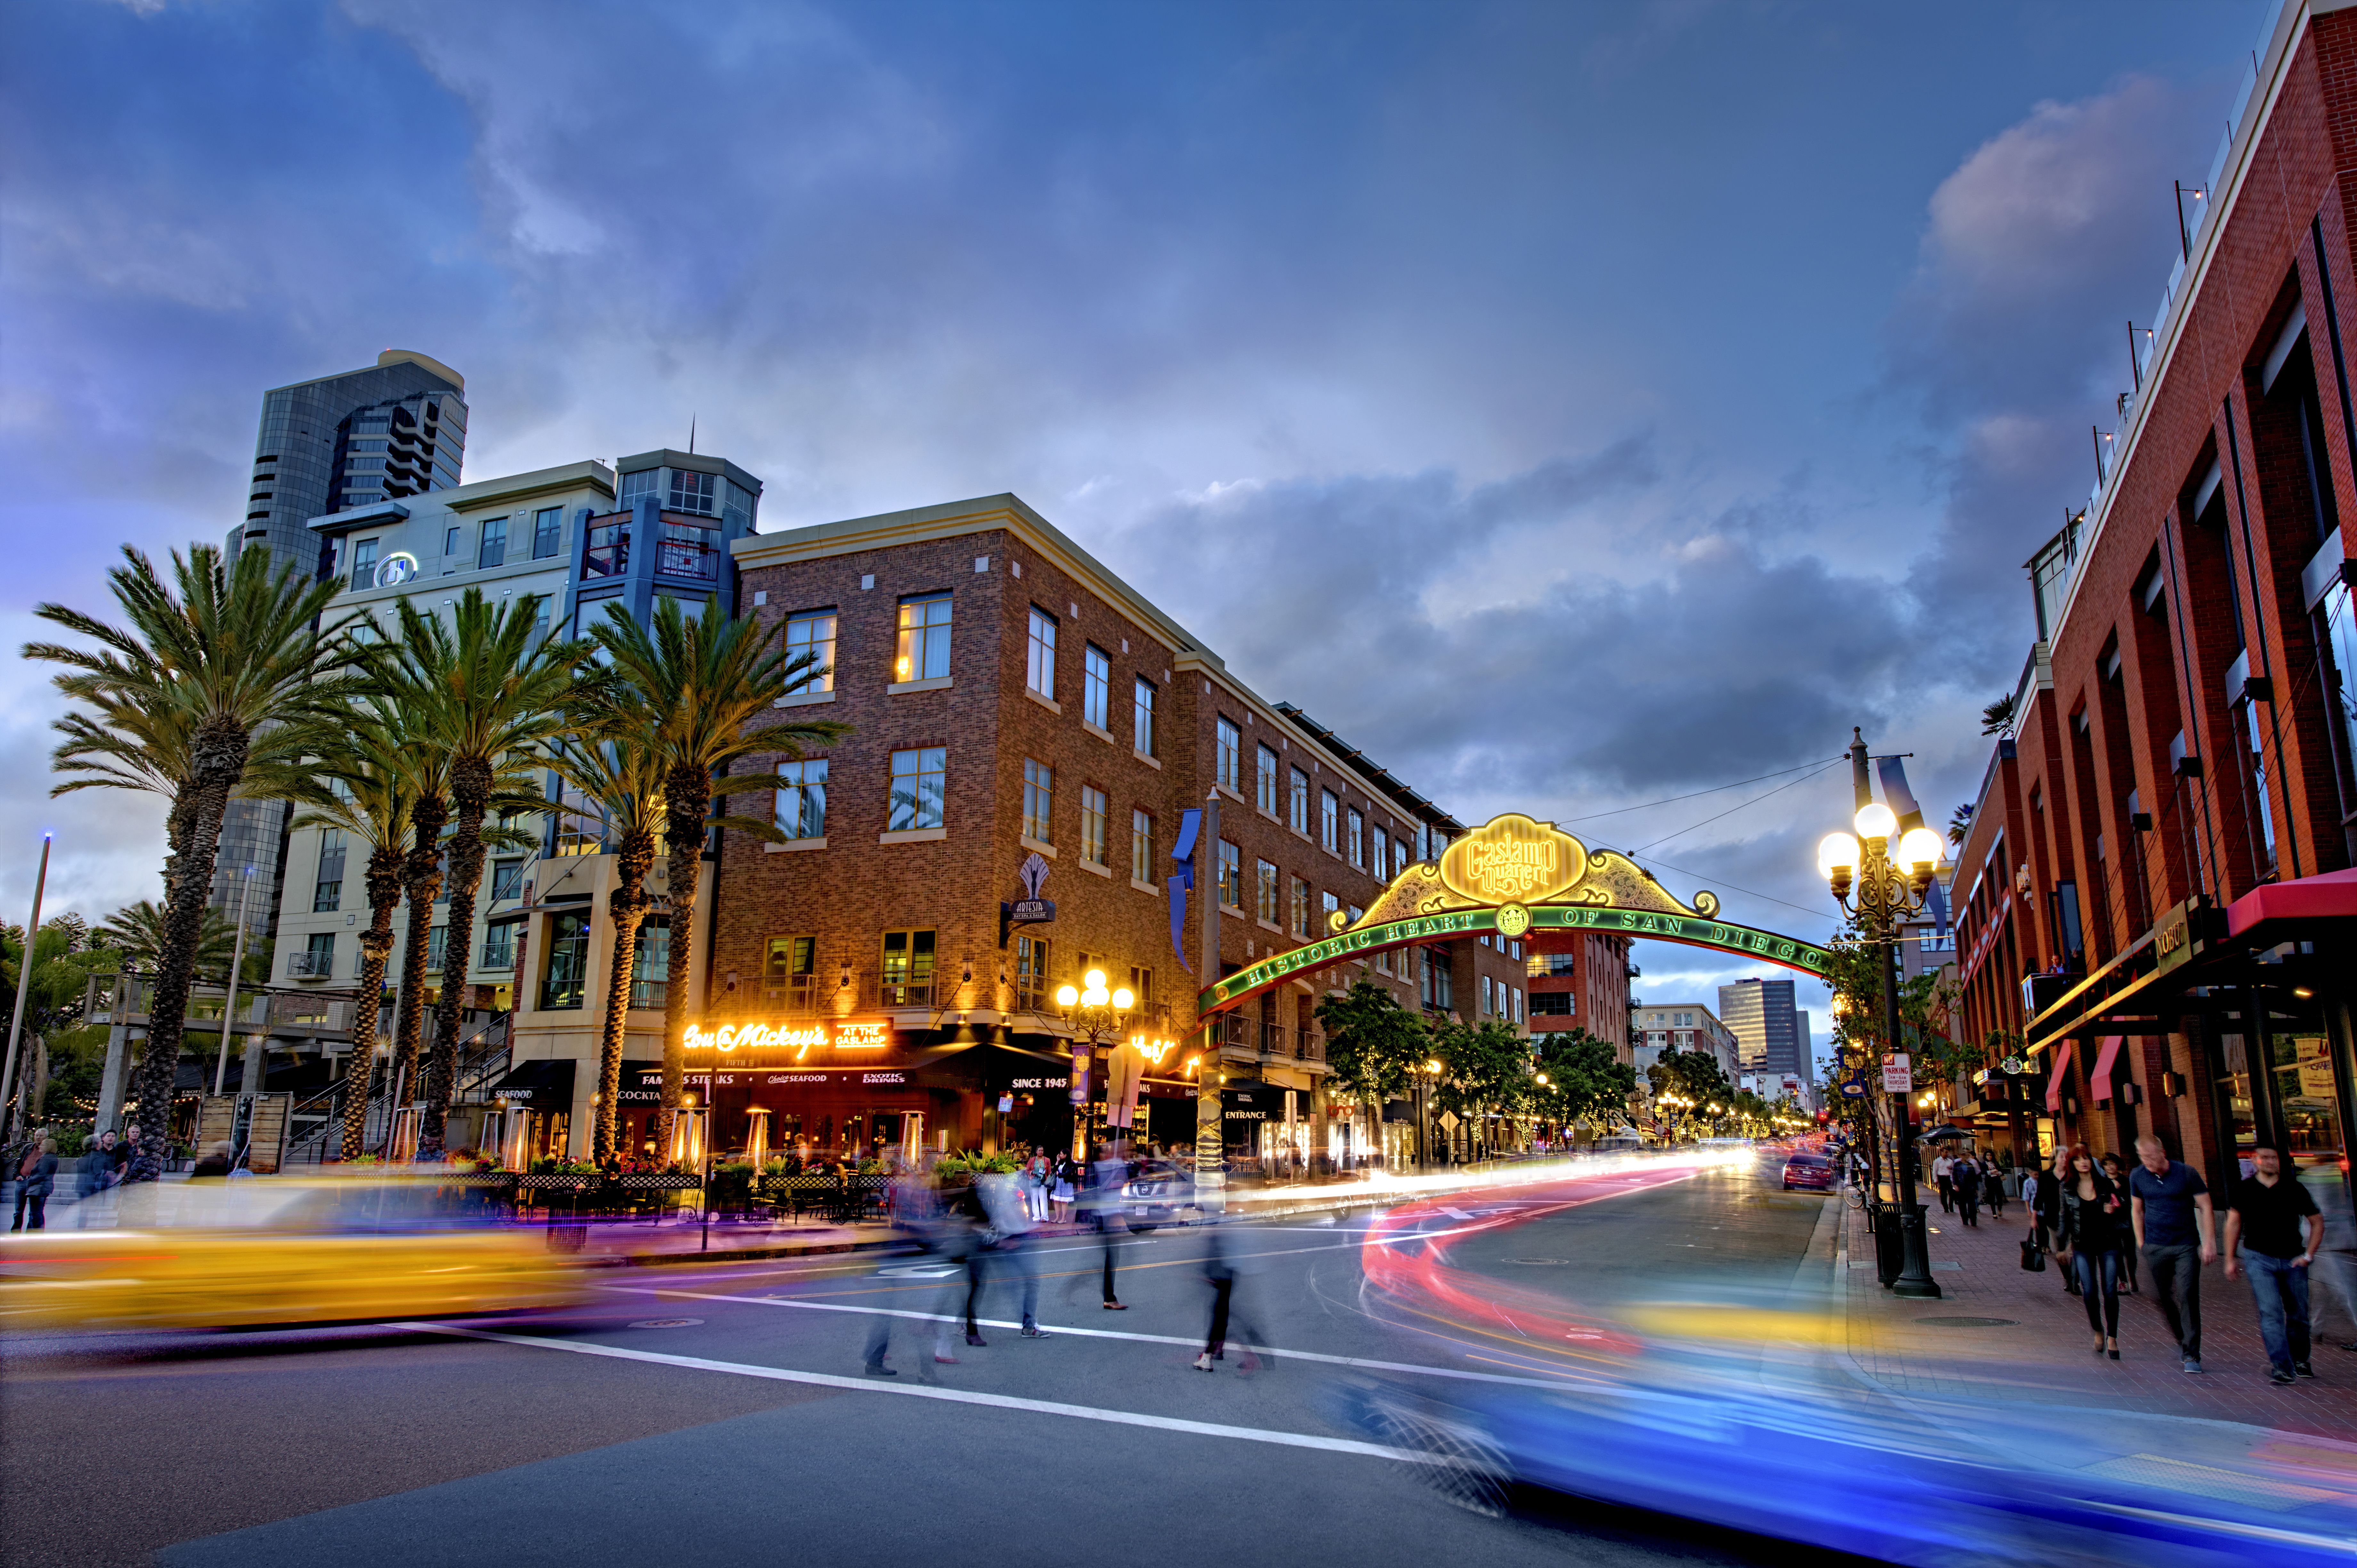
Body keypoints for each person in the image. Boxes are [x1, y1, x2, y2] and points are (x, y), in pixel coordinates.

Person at [2223, 1144, 2322, 1386]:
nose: (2269, 1161)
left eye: (2274, 1158)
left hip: (2293, 1259)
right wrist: (2229, 1259)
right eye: (2264, 1157)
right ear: (2254, 1161)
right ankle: (2281, 1366)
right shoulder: (2243, 1189)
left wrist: (2308, 1255)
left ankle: (2300, 1360)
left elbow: (2317, 1221)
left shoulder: (2294, 1188)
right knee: (2271, 1312)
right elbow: (2233, 1224)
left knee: (2298, 1314)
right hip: (2259, 1258)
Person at [2128, 1132, 2215, 1374]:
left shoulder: (2186, 1173)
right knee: (2158, 1295)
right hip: (2155, 1245)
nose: (2147, 1161)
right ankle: (2181, 1335)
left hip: (2185, 1245)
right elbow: (2137, 1210)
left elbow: (2206, 1206)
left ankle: (2191, 1353)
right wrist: (2141, 1242)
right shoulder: (2138, 1176)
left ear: (2162, 1151)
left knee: (2188, 1295)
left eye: (2150, 1156)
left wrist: (2209, 1242)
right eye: (2142, 1157)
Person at [2053, 1145, 2130, 1359]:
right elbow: (2064, 1218)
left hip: (2108, 1243)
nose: (2084, 1162)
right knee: (2089, 1292)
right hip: (2082, 1245)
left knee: (2110, 1291)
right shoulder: (2067, 1188)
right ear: (2073, 1164)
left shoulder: (2106, 1184)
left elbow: (2124, 1205)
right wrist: (2061, 1246)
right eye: (2078, 1159)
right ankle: (2098, 1330)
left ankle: (2113, 1337)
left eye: (2087, 1158)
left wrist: (2114, 1208)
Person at [1194, 1215, 1271, 1374]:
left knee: (1220, 1315)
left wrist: (1208, 1272)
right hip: (1230, 1271)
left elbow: (1216, 1244)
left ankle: (1208, 1356)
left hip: (1223, 1271)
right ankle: (1217, 1350)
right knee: (1223, 1313)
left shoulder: (1218, 1221)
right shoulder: (1228, 1219)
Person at [2098, 1152, 2140, 1294]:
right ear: (2103, 1166)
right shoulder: (2101, 1182)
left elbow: (2134, 1201)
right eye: (2107, 1164)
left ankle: (2133, 1277)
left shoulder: (2127, 1181)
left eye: (2113, 1164)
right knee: (2117, 1253)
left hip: (2128, 1220)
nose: (2110, 1167)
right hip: (2111, 1223)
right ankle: (2124, 1282)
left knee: (2130, 1252)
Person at [13, 1137, 58, 1231]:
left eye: (43, 1145)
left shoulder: (47, 1158)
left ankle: (36, 1233)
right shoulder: (50, 1157)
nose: (40, 1146)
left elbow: (42, 1175)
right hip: (42, 1188)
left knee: (36, 1213)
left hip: (40, 1189)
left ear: (48, 1147)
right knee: (36, 1213)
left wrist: (30, 1181)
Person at [1952, 1152, 1982, 1228]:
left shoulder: (1970, 1165)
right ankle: (1965, 1220)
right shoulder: (1957, 1164)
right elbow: (1954, 1175)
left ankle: (1973, 1221)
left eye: (1966, 1156)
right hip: (1961, 1187)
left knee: (1972, 1205)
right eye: (1963, 1155)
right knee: (1962, 1205)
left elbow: (1974, 1177)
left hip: (1970, 1187)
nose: (1965, 1157)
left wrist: (1976, 1188)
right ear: (1961, 1156)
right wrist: (1955, 1185)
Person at [1932, 1150, 1955, 1214]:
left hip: (1948, 1178)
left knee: (1952, 1193)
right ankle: (1946, 1208)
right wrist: (1936, 1180)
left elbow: (1953, 1171)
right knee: (1943, 1194)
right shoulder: (1937, 1161)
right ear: (1941, 1153)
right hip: (1941, 1178)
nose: (1946, 1154)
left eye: (1947, 1152)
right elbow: (1935, 1171)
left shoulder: (1950, 1161)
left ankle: (1951, 1206)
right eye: (1945, 1152)